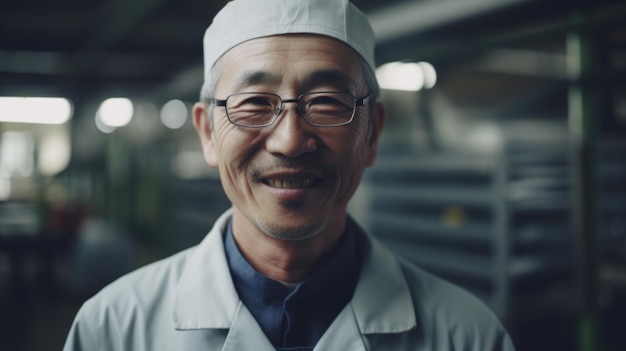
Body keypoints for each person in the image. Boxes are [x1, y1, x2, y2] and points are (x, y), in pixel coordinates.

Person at [63, 0, 515, 350]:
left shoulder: (467, 335)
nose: (290, 141)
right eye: (255, 103)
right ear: (207, 133)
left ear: (372, 133)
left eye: (327, 102)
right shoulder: (114, 329)